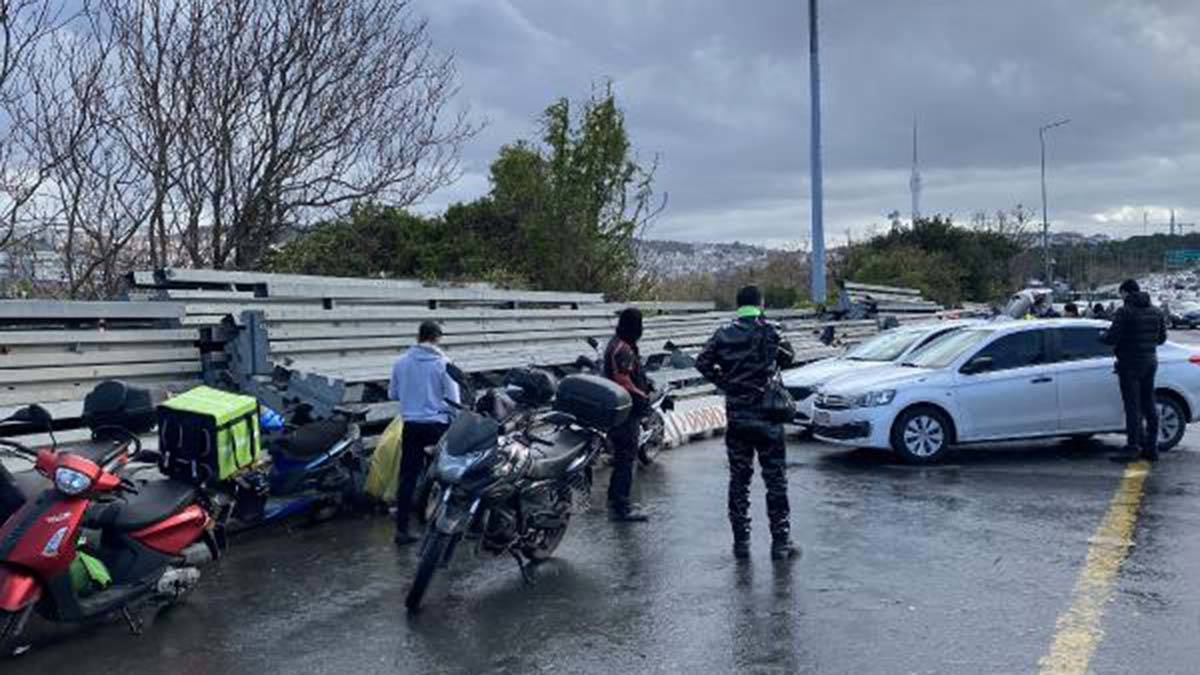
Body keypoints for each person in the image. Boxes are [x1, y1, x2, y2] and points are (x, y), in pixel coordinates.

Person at [696, 285, 798, 561]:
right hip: (768, 417)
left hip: (738, 417)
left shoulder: (723, 333)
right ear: (761, 303)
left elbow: (702, 363)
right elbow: (790, 359)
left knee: (739, 480)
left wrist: (726, 383)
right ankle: (780, 542)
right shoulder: (771, 331)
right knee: (775, 480)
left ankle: (741, 542)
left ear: (738, 305)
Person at [388, 320, 461, 545]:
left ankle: (402, 530)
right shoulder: (444, 364)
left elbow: (393, 394)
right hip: (437, 427)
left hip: (411, 426)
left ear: (418, 336)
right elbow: (454, 401)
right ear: (438, 338)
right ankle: (441, 528)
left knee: (408, 476)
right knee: (445, 475)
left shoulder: (400, 362)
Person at [1101, 279, 1167, 463]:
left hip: (1129, 364)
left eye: (1121, 294)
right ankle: (1151, 448)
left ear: (1126, 293)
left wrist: (1101, 337)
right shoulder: (1156, 311)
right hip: (1150, 362)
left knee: (1133, 407)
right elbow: (1162, 338)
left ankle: (1132, 448)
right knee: (1149, 404)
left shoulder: (1124, 311)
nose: (1120, 297)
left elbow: (1111, 338)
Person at [602, 307, 651, 523]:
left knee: (623, 456)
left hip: (620, 407)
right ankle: (621, 506)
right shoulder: (623, 348)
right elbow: (624, 380)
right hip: (625, 410)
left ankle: (615, 499)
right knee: (626, 457)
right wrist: (643, 396)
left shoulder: (618, 343)